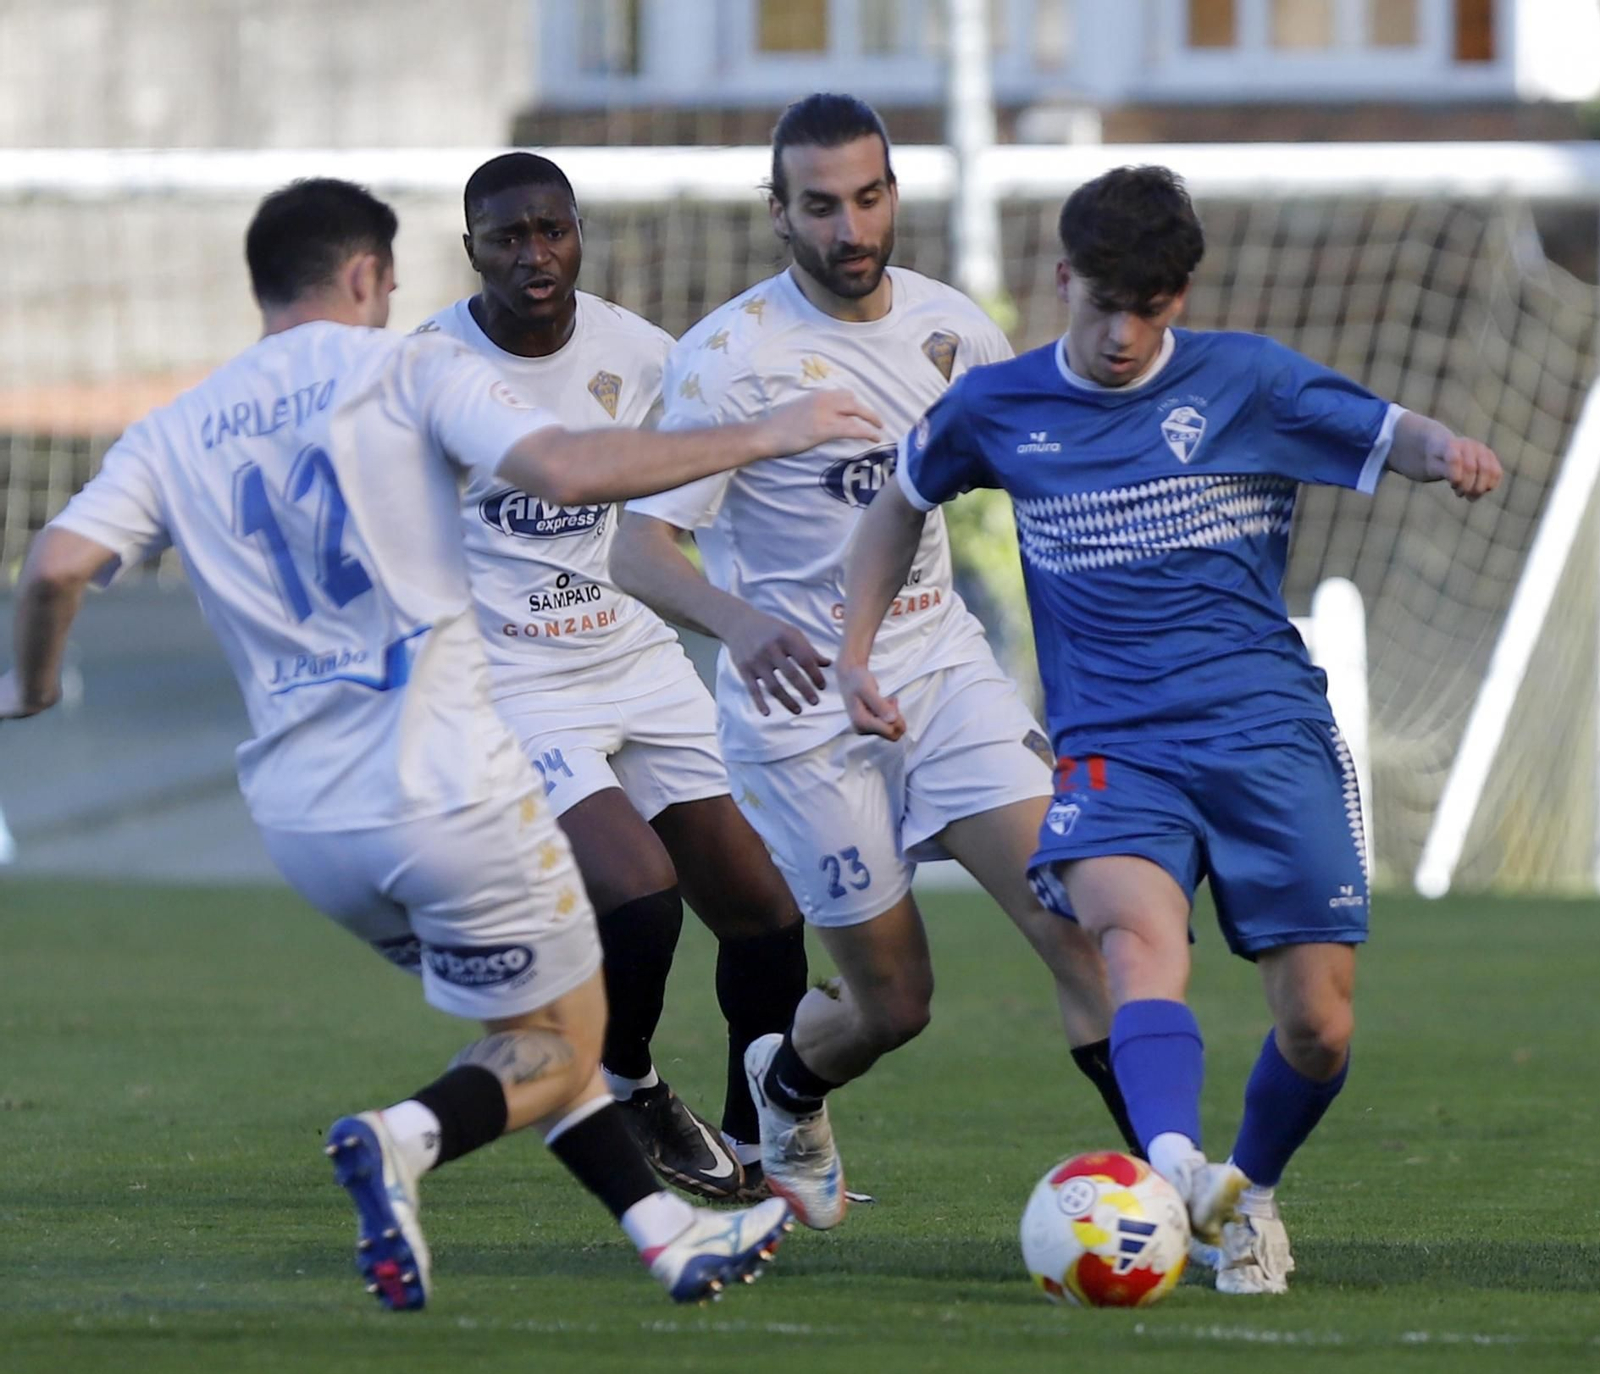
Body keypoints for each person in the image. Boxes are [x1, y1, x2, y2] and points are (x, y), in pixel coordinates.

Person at [0, 178, 882, 1308]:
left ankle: (672, 1235)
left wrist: (31, 688)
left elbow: (55, 566)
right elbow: (565, 467)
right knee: (567, 1033)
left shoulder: (174, 427)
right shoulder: (410, 369)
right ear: (369, 273)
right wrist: (775, 428)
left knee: (544, 1031)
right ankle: (402, 1136)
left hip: (304, 821)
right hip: (442, 776)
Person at [840, 164, 1503, 1293]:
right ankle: (1176, 1172)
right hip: (1116, 749)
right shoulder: (998, 409)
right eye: (1104, 305)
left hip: (1269, 739)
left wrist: (1446, 453)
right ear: (1065, 280)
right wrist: (855, 651)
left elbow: (1389, 429)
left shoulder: (1247, 380)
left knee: (1318, 1027)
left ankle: (1249, 1192)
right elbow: (900, 500)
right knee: (1133, 945)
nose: (1121, 336)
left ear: (1179, 298)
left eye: (1147, 311)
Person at [611, 93, 1135, 1233]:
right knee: (895, 1004)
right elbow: (638, 549)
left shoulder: (954, 330)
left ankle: (1177, 1187)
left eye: (867, 198)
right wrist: (740, 625)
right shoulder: (727, 360)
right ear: (777, 212)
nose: (849, 230)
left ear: (894, 193)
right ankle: (790, 1083)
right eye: (820, 207)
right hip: (801, 714)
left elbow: (1039, 489)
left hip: (941, 672)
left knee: (1086, 933)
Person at [417, 151, 810, 1201]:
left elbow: (692, 503)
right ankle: (628, 1083)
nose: (534, 255)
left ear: (578, 233)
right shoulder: (425, 372)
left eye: (551, 230)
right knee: (640, 896)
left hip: (636, 657)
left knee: (767, 911)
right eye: (507, 237)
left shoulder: (641, 356)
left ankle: (758, 1157)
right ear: (472, 250)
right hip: (513, 682)